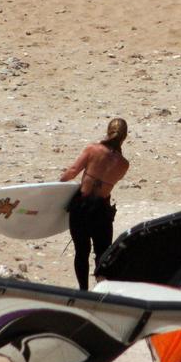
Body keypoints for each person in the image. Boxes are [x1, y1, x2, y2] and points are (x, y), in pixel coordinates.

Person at [59, 118, 130, 290]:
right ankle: (102, 289)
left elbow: (73, 171)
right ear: (124, 137)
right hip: (102, 212)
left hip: (81, 208)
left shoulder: (93, 149)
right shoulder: (124, 164)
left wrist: (58, 185)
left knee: (81, 252)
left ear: (108, 131)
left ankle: (83, 290)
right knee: (103, 254)